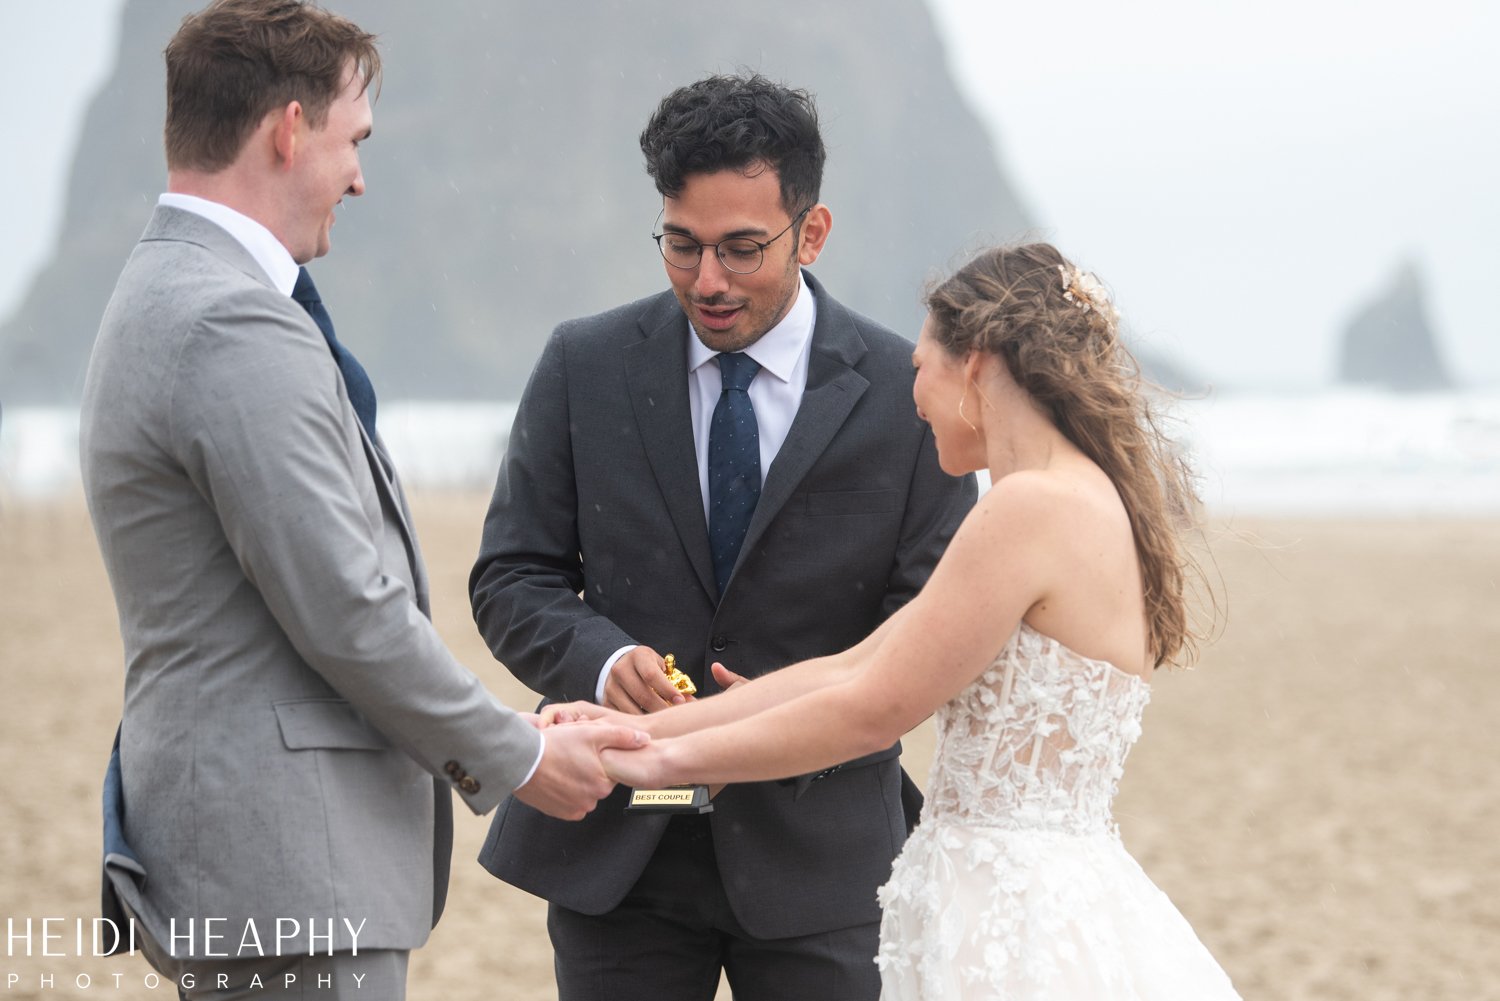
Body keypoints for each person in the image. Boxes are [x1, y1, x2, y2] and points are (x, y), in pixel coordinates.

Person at [79, 2, 644, 998]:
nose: (360, 176)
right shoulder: (228, 323)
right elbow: (345, 608)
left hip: (256, 854)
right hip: (289, 867)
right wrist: (517, 755)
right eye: (354, 140)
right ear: (289, 128)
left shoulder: (167, 290)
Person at [564, 244, 1244, 998]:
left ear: (977, 364)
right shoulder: (1081, 498)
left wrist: (659, 764)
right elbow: (855, 665)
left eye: (922, 367)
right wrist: (627, 733)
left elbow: (874, 704)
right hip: (1051, 895)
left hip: (1008, 915)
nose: (911, 395)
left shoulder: (1029, 509)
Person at [468, 74, 976, 1001]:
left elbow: (933, 623)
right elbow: (511, 578)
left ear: (810, 232)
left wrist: (796, 704)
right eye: (681, 244)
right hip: (621, 851)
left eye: (742, 249)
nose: (708, 281)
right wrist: (600, 655)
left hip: (822, 856)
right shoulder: (583, 366)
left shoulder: (908, 397)